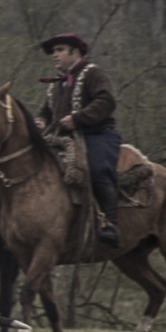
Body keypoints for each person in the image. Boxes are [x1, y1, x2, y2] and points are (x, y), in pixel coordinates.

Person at [36, 32, 122, 248]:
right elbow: (45, 113)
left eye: (60, 50)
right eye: (53, 52)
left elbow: (106, 101)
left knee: (96, 169)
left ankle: (109, 223)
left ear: (75, 52)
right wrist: (39, 122)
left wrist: (78, 119)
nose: (54, 55)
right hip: (62, 139)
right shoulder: (55, 84)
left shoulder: (93, 74)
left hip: (97, 134)